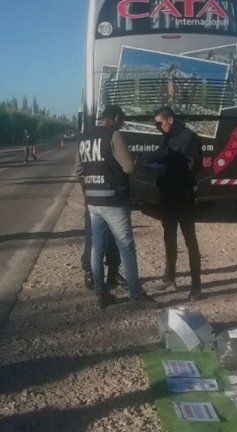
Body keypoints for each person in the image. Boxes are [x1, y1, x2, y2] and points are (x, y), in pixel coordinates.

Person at [76, 105, 156, 308]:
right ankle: (136, 294)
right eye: (121, 120)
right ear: (117, 118)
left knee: (97, 248)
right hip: (113, 199)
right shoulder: (114, 134)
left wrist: (90, 186)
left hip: (93, 201)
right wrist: (133, 162)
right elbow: (128, 167)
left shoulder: (84, 137)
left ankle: (101, 293)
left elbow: (78, 170)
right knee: (126, 248)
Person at [152, 106, 203, 299]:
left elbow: (194, 167)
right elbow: (159, 155)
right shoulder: (166, 136)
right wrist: (144, 163)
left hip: (184, 197)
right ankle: (169, 276)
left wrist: (169, 169)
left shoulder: (190, 137)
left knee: (190, 240)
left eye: (159, 123)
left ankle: (196, 286)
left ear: (170, 120)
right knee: (169, 238)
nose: (157, 127)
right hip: (167, 195)